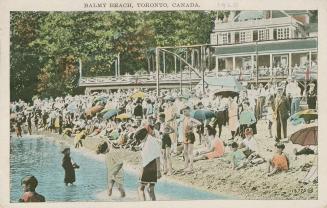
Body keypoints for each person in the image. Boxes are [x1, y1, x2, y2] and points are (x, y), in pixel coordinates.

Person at [136, 125, 161, 201]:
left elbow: (157, 157)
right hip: (154, 166)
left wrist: (159, 171)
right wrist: (158, 171)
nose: (140, 141)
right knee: (151, 189)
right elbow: (157, 156)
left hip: (147, 167)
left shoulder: (149, 141)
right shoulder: (151, 140)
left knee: (141, 189)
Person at [180, 106, 202, 172]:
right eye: (183, 111)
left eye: (185, 111)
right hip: (185, 135)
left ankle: (191, 166)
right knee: (185, 152)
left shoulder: (191, 118)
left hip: (190, 135)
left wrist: (193, 126)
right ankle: (186, 165)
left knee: (190, 152)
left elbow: (199, 123)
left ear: (189, 111)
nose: (184, 112)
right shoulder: (184, 118)